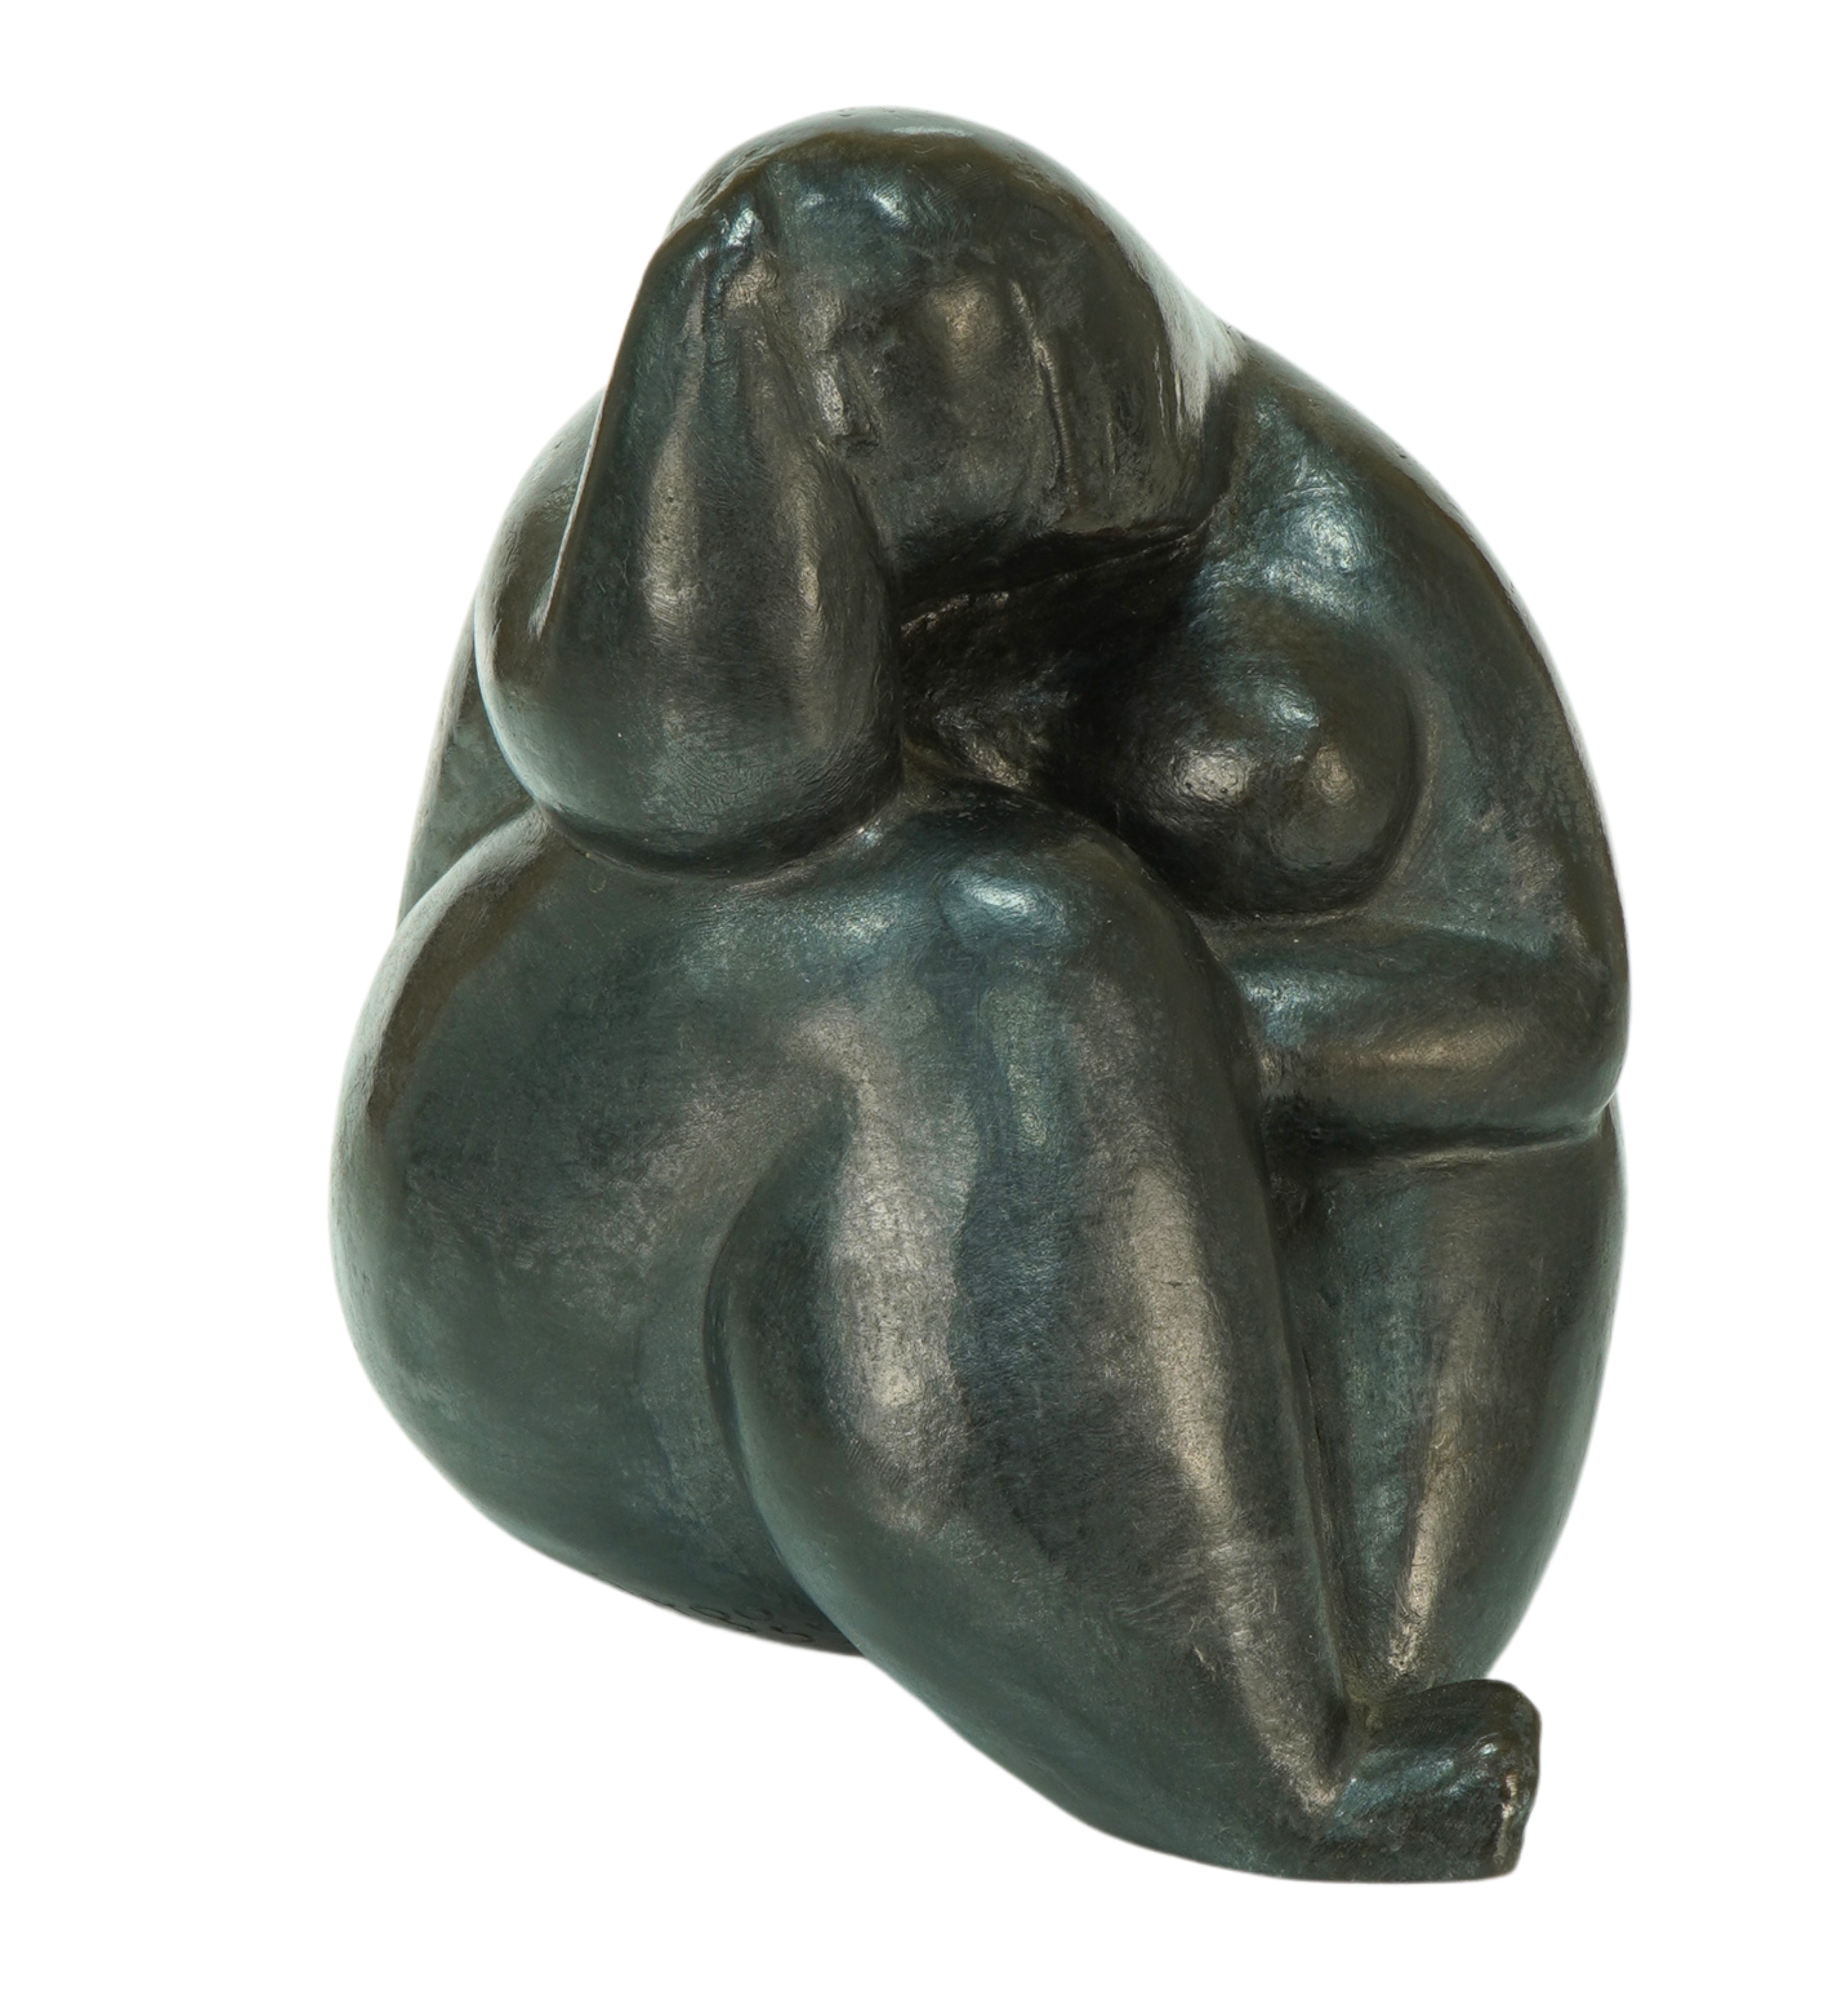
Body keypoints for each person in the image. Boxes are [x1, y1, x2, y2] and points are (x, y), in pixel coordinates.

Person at [334, 111, 1626, 1880]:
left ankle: (1277, 1699)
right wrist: (1111, 1030)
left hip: (1221, 1420)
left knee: (1044, 954)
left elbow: (1556, 1013)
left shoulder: (1320, 549)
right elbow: (550, 901)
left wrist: (1183, 1046)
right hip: (603, 1319)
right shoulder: (632, 547)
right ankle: (1257, 1767)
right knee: (1008, 941)